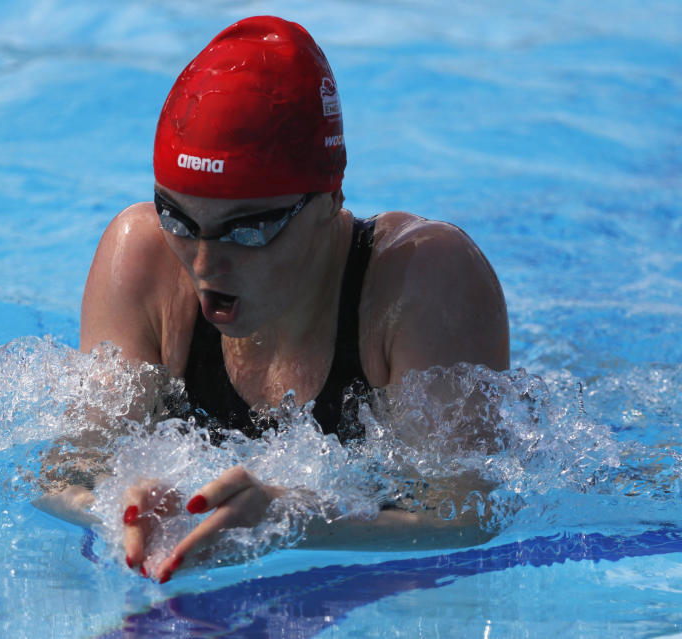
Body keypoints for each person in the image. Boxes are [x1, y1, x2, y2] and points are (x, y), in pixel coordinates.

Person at [36, 15, 509, 584]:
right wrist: (119, 507)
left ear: (330, 198)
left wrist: (295, 518)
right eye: (179, 217)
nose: (205, 265)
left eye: (248, 229)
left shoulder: (420, 280)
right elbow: (60, 478)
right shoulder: (143, 259)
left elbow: (471, 518)